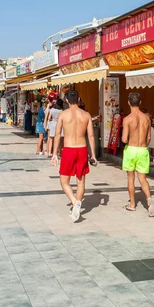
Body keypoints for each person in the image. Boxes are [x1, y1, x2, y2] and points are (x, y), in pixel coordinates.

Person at [51, 90, 97, 222]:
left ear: (66, 100)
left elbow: (58, 134)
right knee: (81, 181)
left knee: (64, 181)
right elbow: (91, 136)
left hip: (69, 149)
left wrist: (54, 153)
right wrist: (93, 154)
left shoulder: (63, 115)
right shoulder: (86, 115)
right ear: (78, 99)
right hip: (82, 149)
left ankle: (74, 202)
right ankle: (77, 202)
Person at [121, 92, 154, 217]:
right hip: (143, 150)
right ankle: (148, 199)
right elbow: (148, 137)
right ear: (140, 103)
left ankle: (132, 204)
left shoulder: (127, 119)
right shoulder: (146, 118)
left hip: (131, 149)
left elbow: (124, 139)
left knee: (131, 178)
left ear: (128, 103)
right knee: (143, 178)